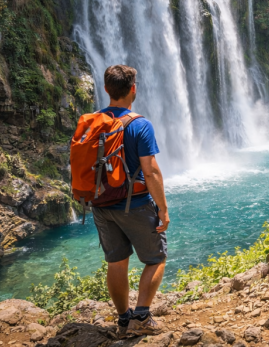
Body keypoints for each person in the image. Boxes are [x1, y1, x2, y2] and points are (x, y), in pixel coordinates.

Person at [94, 65, 170, 338]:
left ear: (106, 89)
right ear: (133, 89)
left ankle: (123, 319)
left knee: (116, 262)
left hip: (101, 204)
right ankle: (141, 316)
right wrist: (162, 208)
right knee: (156, 258)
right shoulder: (139, 124)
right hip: (134, 203)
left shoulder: (92, 122)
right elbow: (150, 171)